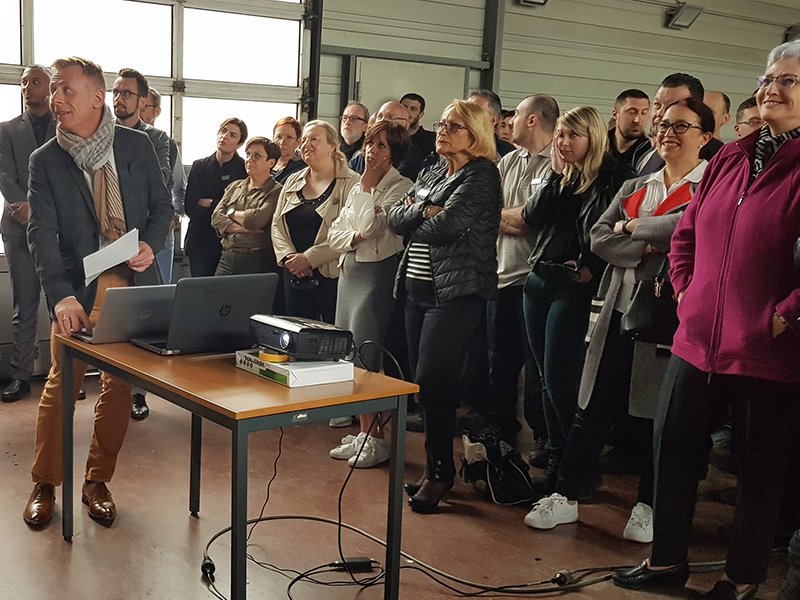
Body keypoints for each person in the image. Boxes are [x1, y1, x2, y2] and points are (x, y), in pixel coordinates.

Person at [613, 40, 800, 599]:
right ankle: (666, 561)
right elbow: (687, 231)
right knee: (672, 450)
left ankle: (740, 578)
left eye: (788, 81)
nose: (770, 88)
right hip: (697, 337)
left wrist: (784, 317)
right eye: (768, 78)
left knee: (757, 470)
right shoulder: (731, 155)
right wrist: (687, 289)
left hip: (768, 348)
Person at [524, 99, 714, 542]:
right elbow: (599, 236)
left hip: (670, 314)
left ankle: (648, 505)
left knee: (654, 414)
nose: (668, 132)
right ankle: (567, 494)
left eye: (681, 126)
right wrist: (643, 240)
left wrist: (634, 229)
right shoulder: (636, 184)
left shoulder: (710, 185)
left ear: (705, 137)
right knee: (593, 403)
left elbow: (688, 229)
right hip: (619, 307)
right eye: (663, 125)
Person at [23, 56, 172, 529]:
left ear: (96, 98)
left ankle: (97, 481)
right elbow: (41, 236)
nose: (56, 98)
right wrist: (61, 296)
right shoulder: (45, 160)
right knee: (61, 384)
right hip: (76, 289)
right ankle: (45, 483)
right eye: (54, 91)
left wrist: (151, 242)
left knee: (119, 388)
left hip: (129, 284)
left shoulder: (137, 146)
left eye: (66, 90)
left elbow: (162, 205)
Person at [388, 99, 501, 512]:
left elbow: (447, 227)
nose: (443, 131)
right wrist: (422, 208)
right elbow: (395, 221)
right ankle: (434, 467)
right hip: (417, 290)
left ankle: (441, 473)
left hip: (456, 295)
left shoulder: (482, 175)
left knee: (434, 381)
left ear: (475, 135)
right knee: (423, 385)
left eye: (454, 126)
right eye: (441, 124)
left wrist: (417, 214)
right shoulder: (433, 171)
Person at [521, 106, 633, 496]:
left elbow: (610, 233)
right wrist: (553, 174)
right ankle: (558, 457)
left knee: (561, 379)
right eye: (561, 135)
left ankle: (577, 466)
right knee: (542, 376)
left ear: (593, 139)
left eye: (573, 136)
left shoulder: (614, 179)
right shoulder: (558, 175)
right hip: (539, 279)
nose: (564, 142)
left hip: (573, 286)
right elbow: (532, 218)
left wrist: (589, 265)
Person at [327, 121, 412, 468]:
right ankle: (363, 432)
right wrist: (355, 234)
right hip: (349, 272)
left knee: (367, 354)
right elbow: (336, 234)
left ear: (394, 153)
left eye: (381, 146)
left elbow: (369, 227)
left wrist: (364, 201)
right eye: (370, 144)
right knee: (347, 352)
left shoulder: (401, 187)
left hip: (377, 274)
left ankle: (377, 438)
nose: (372, 152)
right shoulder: (360, 185)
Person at [480, 94, 559, 447]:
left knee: (538, 367)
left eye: (517, 115)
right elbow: (487, 211)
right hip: (500, 275)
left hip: (534, 279)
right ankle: (501, 424)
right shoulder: (508, 162)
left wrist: (517, 218)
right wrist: (514, 217)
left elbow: (538, 221)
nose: (508, 121)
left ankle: (543, 436)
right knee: (500, 362)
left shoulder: (556, 165)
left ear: (533, 120)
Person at [112, 68, 172, 422]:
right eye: (115, 92)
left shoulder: (156, 139)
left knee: (142, 322)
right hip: (105, 245)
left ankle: (138, 393)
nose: (119, 99)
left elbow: (159, 187)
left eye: (127, 94)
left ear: (142, 101)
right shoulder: (100, 136)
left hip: (142, 244)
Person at [0, 65, 55, 403]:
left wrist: (42, 212)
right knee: (25, 304)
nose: (27, 87)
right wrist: (23, 206)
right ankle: (20, 376)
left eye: (35, 81)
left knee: (61, 302)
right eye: (23, 82)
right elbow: (5, 175)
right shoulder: (6, 130)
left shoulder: (65, 127)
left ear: (50, 87)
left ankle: (66, 375)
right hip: (18, 226)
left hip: (57, 230)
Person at [271, 120, 359, 323]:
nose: (306, 144)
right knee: (295, 333)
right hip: (293, 271)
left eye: (314, 139)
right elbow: (277, 223)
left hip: (331, 274)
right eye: (304, 140)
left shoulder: (352, 182)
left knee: (329, 337)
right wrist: (290, 257)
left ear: (332, 146)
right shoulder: (293, 180)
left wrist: (309, 259)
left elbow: (350, 231)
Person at [184, 118, 248, 276]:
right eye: (223, 131)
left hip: (229, 244)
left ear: (239, 144)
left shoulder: (244, 170)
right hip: (199, 242)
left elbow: (240, 209)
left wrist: (210, 204)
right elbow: (190, 208)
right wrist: (222, 207)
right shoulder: (199, 166)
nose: (224, 136)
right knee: (201, 291)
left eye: (232, 135)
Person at [211, 137, 282, 277]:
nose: (250, 159)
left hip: (257, 259)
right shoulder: (234, 187)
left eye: (257, 156)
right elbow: (215, 218)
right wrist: (244, 228)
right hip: (228, 257)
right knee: (217, 297)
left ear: (271, 163)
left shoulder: (277, 191)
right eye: (248, 154)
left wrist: (230, 213)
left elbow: (256, 220)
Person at [140, 86, 187, 285]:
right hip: (126, 233)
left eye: (145, 106)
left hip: (161, 232)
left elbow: (179, 189)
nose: (139, 110)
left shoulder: (167, 145)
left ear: (156, 112)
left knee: (160, 293)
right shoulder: (115, 139)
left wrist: (174, 217)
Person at [608, 89, 651, 169]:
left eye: (644, 113)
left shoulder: (650, 153)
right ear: (615, 114)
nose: (637, 120)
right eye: (632, 112)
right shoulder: (597, 145)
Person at [467, 89, 516, 156]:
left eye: (476, 112)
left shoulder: (508, 154)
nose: (467, 116)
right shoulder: (454, 146)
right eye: (466, 111)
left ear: (493, 120)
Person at [400, 92, 436, 158]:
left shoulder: (432, 140)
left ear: (420, 115)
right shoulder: (389, 137)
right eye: (404, 107)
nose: (407, 112)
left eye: (413, 109)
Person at [271, 116, 306, 184]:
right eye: (278, 137)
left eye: (289, 137)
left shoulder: (302, 169)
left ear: (298, 142)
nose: (282, 142)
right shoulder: (263, 161)